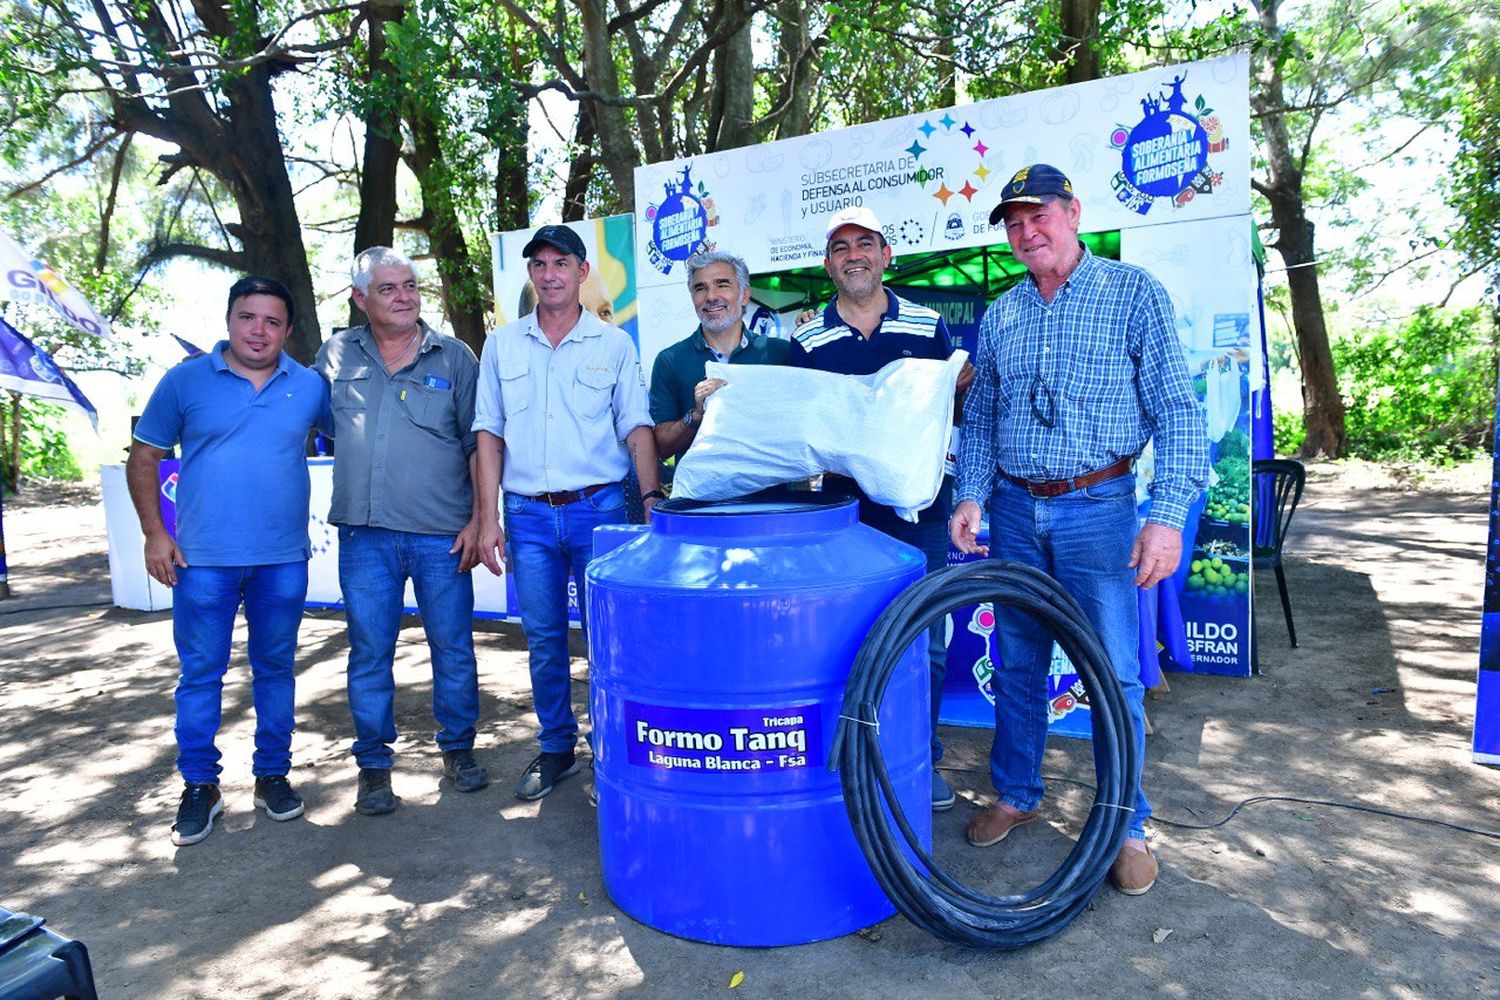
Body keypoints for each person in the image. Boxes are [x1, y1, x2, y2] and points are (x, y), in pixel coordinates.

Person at [950, 163, 1210, 895]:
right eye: (1014, 222)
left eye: (1040, 216)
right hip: (1013, 508)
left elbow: (1179, 415)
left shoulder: (1133, 293)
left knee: (1114, 675)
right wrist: (970, 495)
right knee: (1020, 663)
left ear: (1074, 212)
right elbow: (983, 421)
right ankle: (1018, 795)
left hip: (1101, 509)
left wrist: (1164, 519)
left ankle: (1125, 821)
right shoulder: (1002, 313)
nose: (1026, 232)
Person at [127, 275, 333, 846]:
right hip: (202, 562)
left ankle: (272, 776)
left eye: (271, 321)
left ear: (288, 330)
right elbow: (144, 457)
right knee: (200, 676)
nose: (259, 330)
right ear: (228, 320)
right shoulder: (184, 381)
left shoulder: (311, 387)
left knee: (275, 670)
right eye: (248, 317)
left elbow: (363, 439)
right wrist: (154, 534)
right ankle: (200, 786)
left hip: (281, 560)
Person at [788, 205, 973, 812]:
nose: (853, 255)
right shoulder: (807, 338)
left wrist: (959, 387)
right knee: (847, 633)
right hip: (843, 511)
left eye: (864, 243)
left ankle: (919, 747)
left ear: (886, 254)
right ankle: (860, 749)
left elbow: (951, 414)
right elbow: (803, 423)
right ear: (827, 265)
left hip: (920, 504)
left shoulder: (928, 325)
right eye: (840, 248)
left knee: (928, 634)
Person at [473, 224, 662, 800]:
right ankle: (557, 748)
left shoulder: (615, 345)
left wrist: (651, 503)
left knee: (610, 639)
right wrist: (488, 519)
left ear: (583, 272)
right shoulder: (502, 345)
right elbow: (488, 433)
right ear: (529, 274)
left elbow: (637, 427)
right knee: (544, 638)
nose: (550, 274)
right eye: (540, 264)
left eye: (562, 263)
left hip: (599, 510)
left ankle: (613, 752)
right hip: (527, 516)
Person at [315, 246, 488, 816]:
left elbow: (478, 443)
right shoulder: (335, 355)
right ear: (360, 299)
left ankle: (459, 749)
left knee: (454, 648)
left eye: (411, 285)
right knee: (369, 651)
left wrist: (480, 519)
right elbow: (306, 426)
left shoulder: (455, 357)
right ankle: (373, 766)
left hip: (443, 536)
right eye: (388, 288)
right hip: (364, 536)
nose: (405, 296)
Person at [650, 248, 790, 460]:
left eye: (722, 284)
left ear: (744, 295)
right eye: (700, 288)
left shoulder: (780, 353)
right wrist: (696, 417)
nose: (711, 296)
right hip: (701, 492)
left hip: (770, 491)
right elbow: (662, 446)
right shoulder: (670, 360)